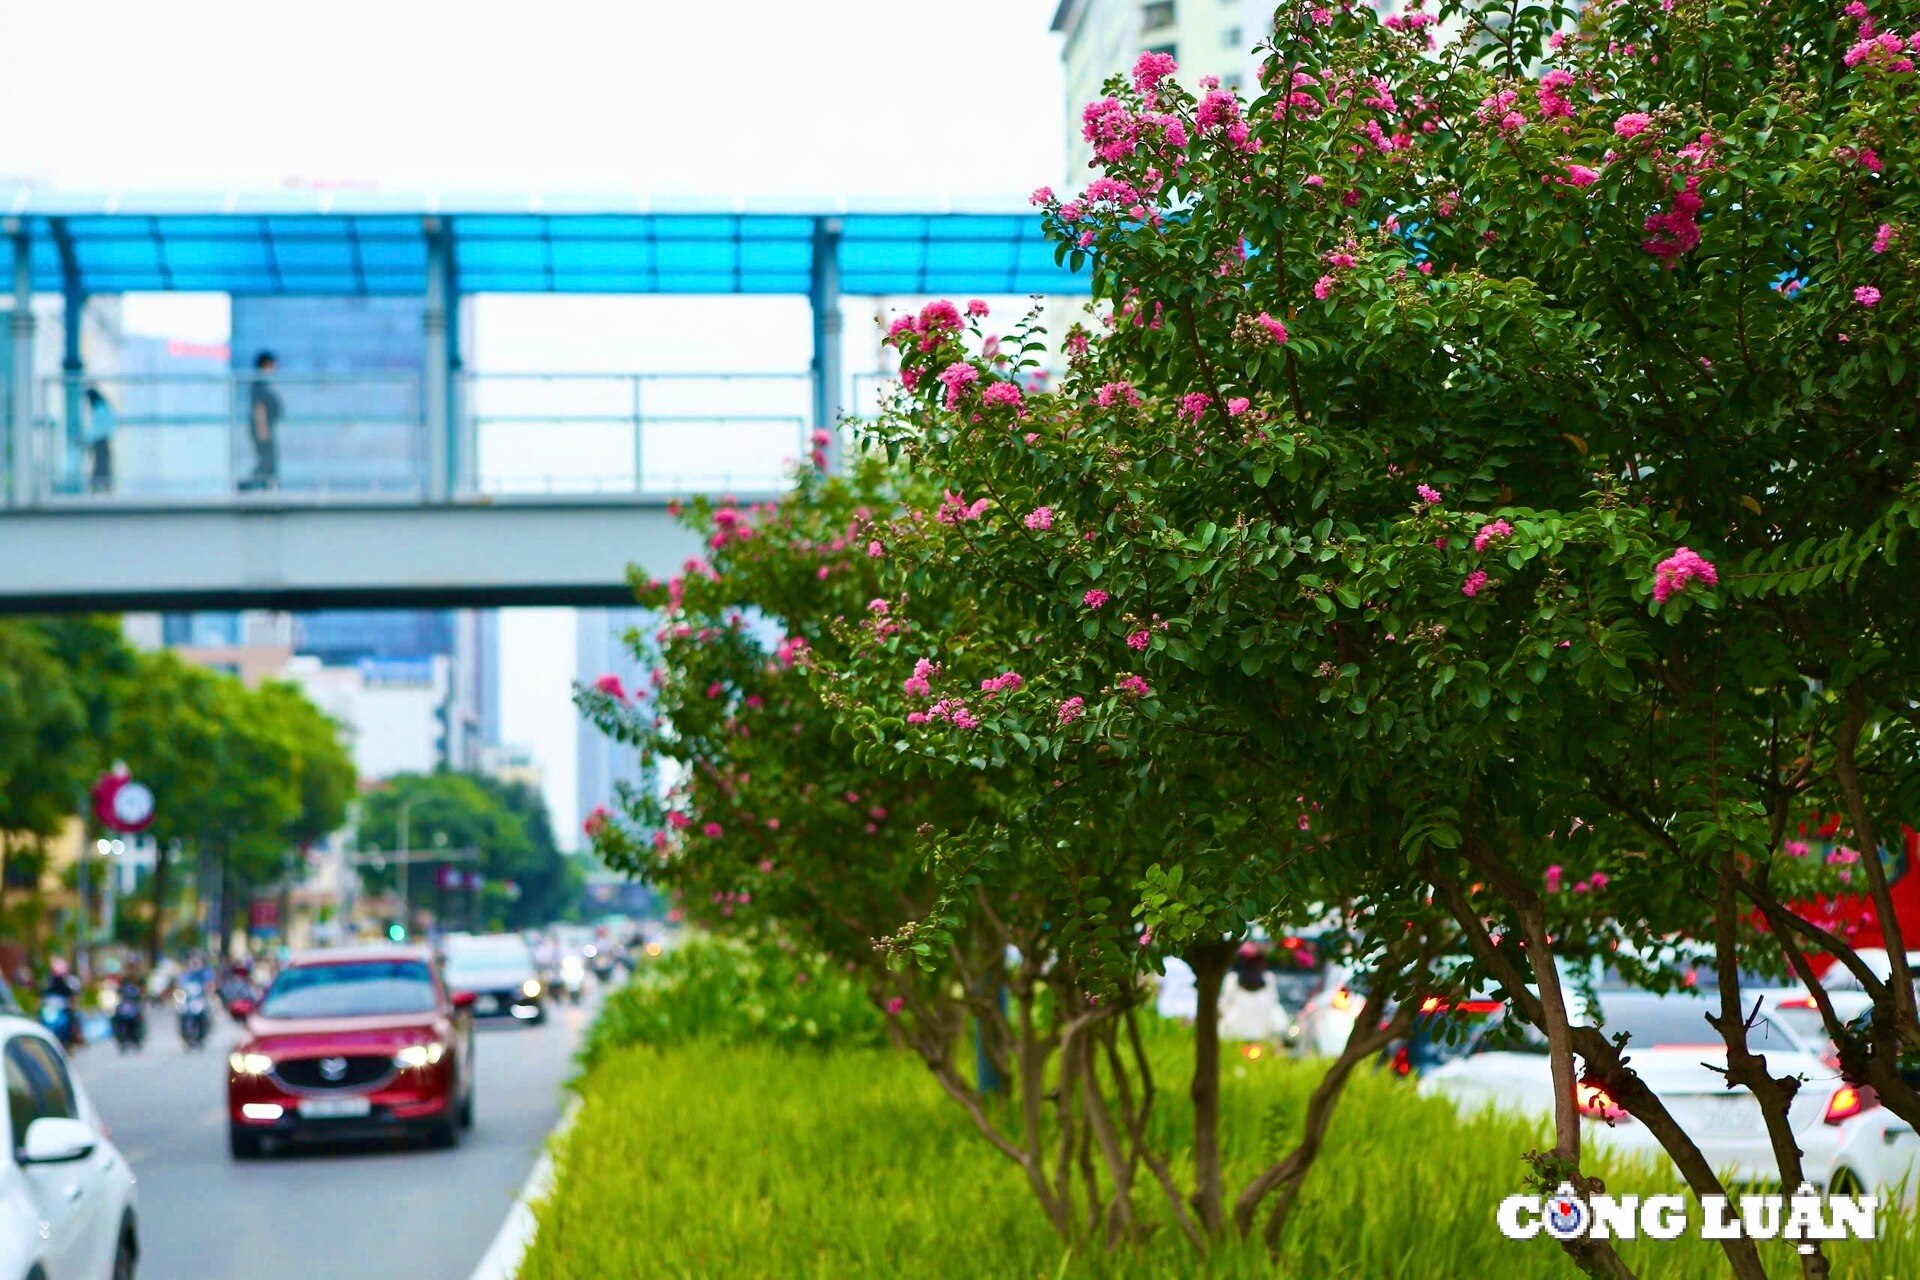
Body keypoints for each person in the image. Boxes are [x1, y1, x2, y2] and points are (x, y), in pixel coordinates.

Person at [240, 350, 282, 491]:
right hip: (262, 429)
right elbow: (259, 409)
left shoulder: (263, 383)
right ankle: (247, 485)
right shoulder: (259, 383)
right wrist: (263, 430)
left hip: (266, 428)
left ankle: (267, 487)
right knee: (267, 459)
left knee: (269, 460)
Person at [84, 386, 117, 493]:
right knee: (102, 464)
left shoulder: (99, 409)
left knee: (100, 464)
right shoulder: (104, 406)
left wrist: (88, 439)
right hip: (102, 440)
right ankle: (104, 488)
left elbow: (98, 428)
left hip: (100, 440)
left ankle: (100, 488)